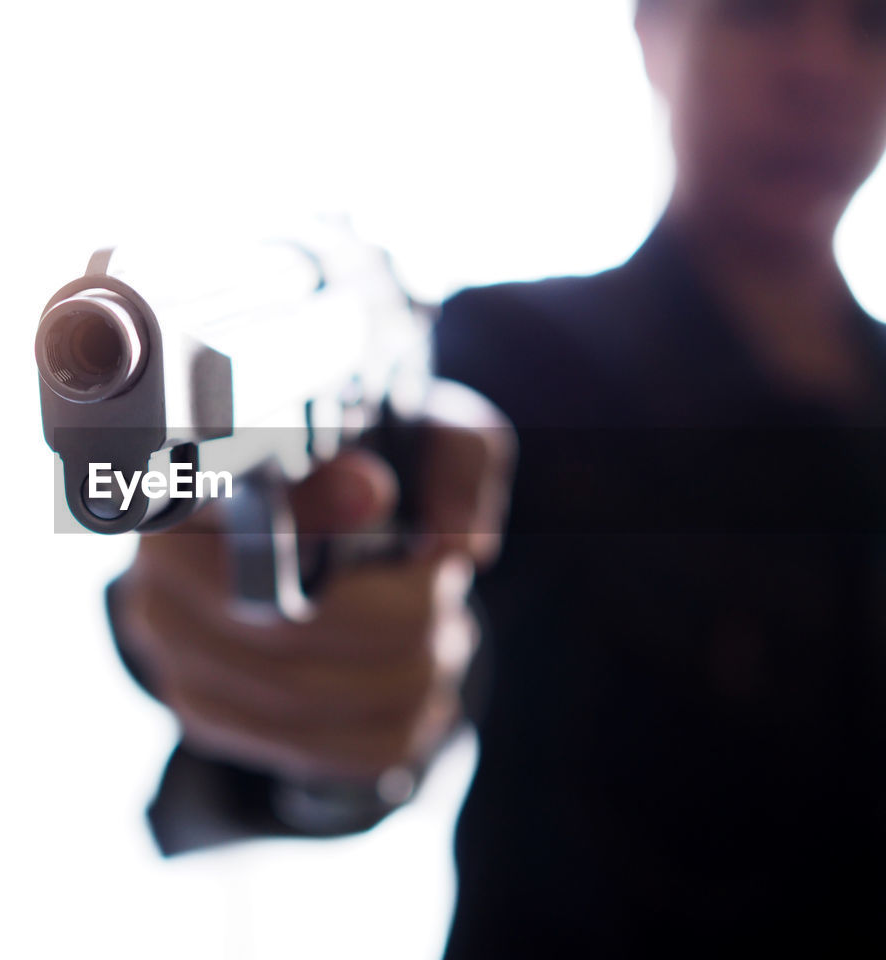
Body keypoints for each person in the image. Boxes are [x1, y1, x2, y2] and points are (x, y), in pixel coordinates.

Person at [108, 0, 886, 954]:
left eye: (874, 25)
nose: (820, 67)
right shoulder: (519, 357)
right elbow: (400, 566)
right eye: (759, 11)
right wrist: (295, 651)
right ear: (653, 30)